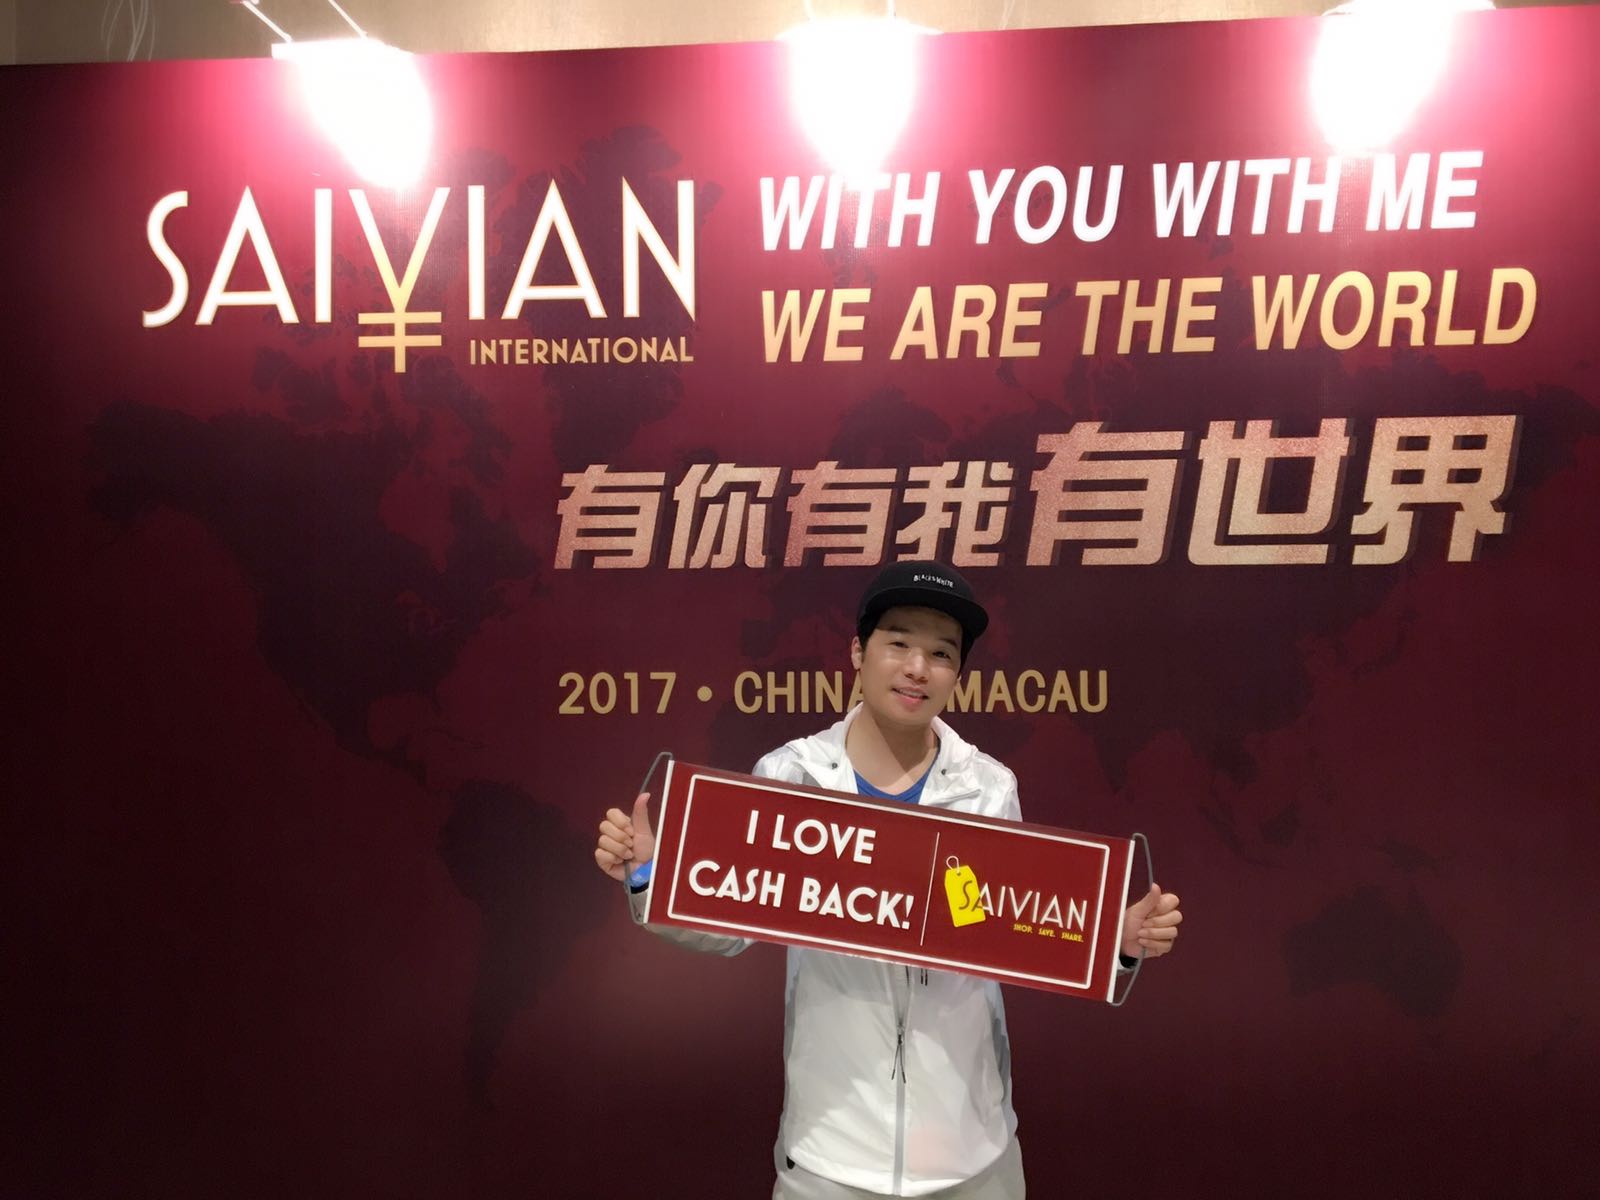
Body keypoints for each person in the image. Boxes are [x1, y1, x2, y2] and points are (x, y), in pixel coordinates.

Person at [594, 561, 1183, 1199]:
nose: (917, 668)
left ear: (957, 674)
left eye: (941, 654)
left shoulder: (988, 786)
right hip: (829, 1154)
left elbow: (1013, 930)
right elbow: (728, 929)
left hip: (972, 1153)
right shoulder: (792, 775)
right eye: (898, 643)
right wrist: (654, 876)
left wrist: (1112, 943)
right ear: (859, 651)